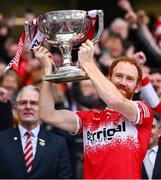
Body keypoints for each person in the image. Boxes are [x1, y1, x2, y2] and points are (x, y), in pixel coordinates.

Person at [33, 40, 153, 179]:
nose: (123, 82)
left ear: (137, 87)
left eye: (130, 79)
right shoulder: (89, 119)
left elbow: (115, 101)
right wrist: (47, 70)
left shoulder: (143, 110)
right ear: (108, 79)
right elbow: (47, 115)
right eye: (119, 76)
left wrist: (89, 64)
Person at [0, 85, 72, 179]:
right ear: (16, 107)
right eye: (23, 103)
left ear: (42, 107)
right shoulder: (2, 140)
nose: (28, 107)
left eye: (34, 103)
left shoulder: (58, 143)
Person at [142, 112, 161, 179]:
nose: (148, 131)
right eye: (145, 127)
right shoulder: (131, 157)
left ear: (159, 132)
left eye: (152, 127)